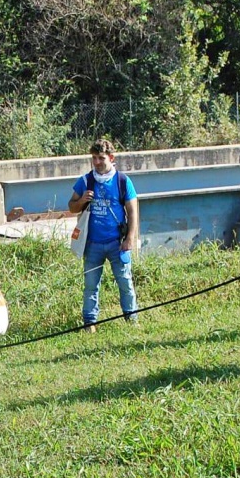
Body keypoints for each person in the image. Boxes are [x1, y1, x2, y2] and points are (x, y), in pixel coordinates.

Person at [67, 138, 140, 332]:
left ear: (111, 158)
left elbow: (133, 211)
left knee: (125, 282)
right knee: (91, 285)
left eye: (101, 158)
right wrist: (82, 200)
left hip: (117, 243)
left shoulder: (122, 181)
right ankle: (90, 323)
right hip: (92, 244)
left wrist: (129, 239)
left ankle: (131, 320)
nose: (97, 162)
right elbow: (72, 207)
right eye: (94, 158)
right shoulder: (85, 181)